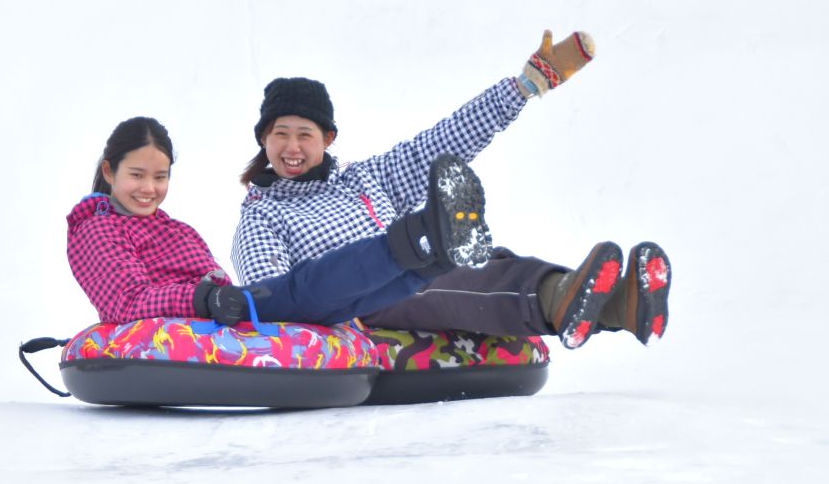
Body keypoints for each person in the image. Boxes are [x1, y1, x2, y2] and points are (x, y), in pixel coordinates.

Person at [231, 30, 672, 349]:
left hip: (416, 272)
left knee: (482, 260)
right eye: (280, 134)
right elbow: (274, 298)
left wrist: (523, 88)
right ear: (264, 140)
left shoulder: (365, 178)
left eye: (304, 134)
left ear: (327, 139)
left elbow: (444, 142)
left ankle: (618, 306)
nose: (291, 147)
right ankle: (558, 297)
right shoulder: (262, 217)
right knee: (439, 278)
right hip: (360, 304)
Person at [67, 116, 500, 329]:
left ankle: (437, 256)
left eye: (160, 177)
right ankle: (421, 233)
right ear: (109, 172)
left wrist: (213, 297)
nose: (149, 189)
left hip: (221, 311)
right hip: (204, 314)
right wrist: (203, 300)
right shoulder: (97, 229)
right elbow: (126, 303)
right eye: (137, 175)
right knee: (305, 287)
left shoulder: (176, 229)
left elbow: (211, 282)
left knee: (348, 302)